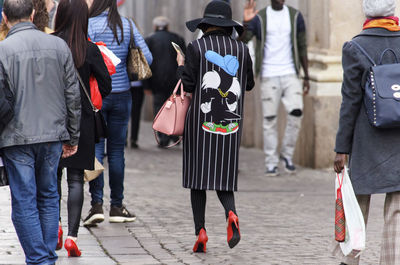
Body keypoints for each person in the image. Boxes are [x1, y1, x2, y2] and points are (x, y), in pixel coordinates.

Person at [0, 0, 81, 263]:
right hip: (52, 134)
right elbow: (72, 94)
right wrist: (73, 134)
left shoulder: (3, 50)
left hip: (16, 136)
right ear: (34, 14)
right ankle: (44, 257)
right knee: (48, 196)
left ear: (4, 17)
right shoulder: (59, 45)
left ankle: (40, 259)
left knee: (24, 200)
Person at [177, 0, 254, 252]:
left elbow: (188, 85)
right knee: (224, 176)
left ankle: (200, 232)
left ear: (206, 24)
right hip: (230, 126)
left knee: (198, 179)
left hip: (200, 123)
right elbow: (249, 84)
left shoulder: (195, 47)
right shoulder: (242, 50)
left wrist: (181, 66)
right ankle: (231, 213)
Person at [333, 0, 400, 264]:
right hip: (398, 140)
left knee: (356, 202)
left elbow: (349, 101)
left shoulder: (355, 47)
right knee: (396, 206)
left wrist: (342, 148)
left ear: (365, 11)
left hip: (366, 139)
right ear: (393, 11)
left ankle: (350, 259)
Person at [83, 0, 152, 226]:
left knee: (95, 149)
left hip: (97, 95)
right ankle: (116, 205)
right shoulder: (127, 25)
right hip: (123, 94)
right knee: (116, 152)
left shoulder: (89, 25)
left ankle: (96, 205)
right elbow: (148, 58)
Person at [53, 0, 112, 256]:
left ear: (61, 16)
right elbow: (107, 86)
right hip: (83, 120)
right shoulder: (89, 48)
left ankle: (53, 226)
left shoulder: (51, 43)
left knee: (52, 176)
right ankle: (72, 237)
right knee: (76, 178)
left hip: (52, 119)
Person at [240, 0, 309, 176]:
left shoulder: (295, 16)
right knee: (269, 120)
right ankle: (271, 162)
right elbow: (242, 41)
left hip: (291, 73)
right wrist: (246, 22)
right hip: (269, 74)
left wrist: (306, 76)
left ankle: (286, 155)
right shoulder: (260, 18)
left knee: (296, 113)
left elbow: (302, 46)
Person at [145, 16, 186, 148]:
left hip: (156, 80)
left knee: (159, 108)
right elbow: (184, 59)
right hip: (175, 79)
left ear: (155, 26)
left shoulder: (150, 39)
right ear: (168, 26)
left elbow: (146, 63)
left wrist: (146, 85)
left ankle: (163, 137)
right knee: (175, 106)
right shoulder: (178, 38)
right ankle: (174, 133)